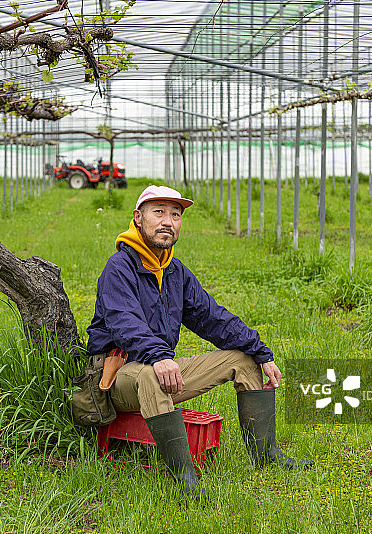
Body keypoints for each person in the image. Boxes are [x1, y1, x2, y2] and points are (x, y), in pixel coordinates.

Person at [86, 185, 312, 499]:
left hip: (159, 365)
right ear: (138, 218)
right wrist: (157, 356)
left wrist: (260, 352)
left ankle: (266, 453)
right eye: (159, 212)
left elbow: (212, 318)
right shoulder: (119, 269)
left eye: (175, 215)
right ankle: (186, 480)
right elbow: (125, 323)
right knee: (152, 374)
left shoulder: (175, 272)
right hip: (118, 376)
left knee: (242, 360)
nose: (168, 221)